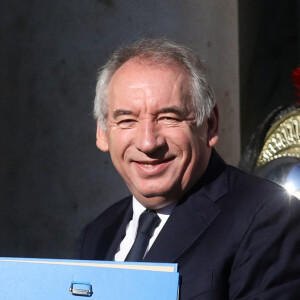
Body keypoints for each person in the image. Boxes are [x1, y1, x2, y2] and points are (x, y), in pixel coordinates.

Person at [76, 38, 300, 299]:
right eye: (127, 120)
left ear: (211, 124)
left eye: (169, 118)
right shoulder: (97, 234)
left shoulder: (268, 217)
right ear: (103, 133)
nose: (148, 142)